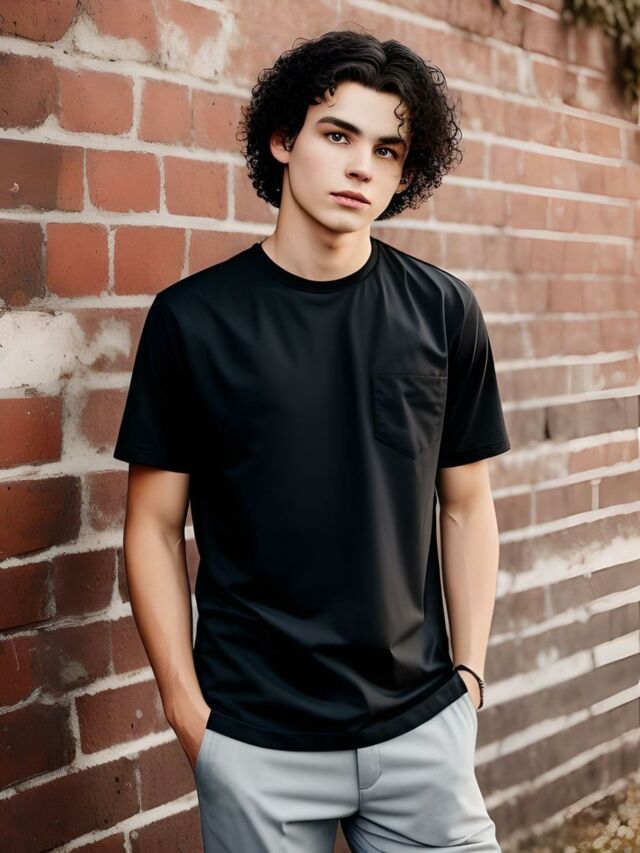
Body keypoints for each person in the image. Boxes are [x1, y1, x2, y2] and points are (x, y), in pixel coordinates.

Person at [113, 27, 510, 852]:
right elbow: (152, 524)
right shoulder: (192, 321)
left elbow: (467, 504)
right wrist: (187, 712)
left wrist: (469, 679)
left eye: (387, 150)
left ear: (406, 172)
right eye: (337, 135)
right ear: (283, 140)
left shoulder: (444, 311)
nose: (362, 166)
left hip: (420, 729)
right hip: (255, 742)